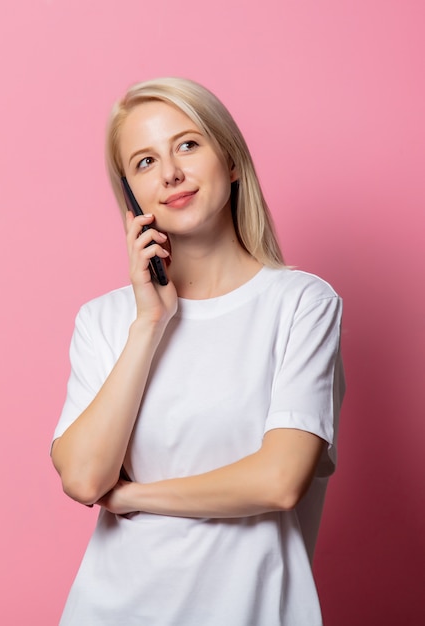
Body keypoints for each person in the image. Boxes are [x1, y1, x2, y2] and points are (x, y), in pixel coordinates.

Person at [51, 77, 345, 625]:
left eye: (187, 144)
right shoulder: (106, 320)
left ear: (230, 161)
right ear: (132, 195)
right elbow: (86, 480)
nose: (170, 174)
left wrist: (138, 496)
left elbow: (279, 481)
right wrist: (150, 323)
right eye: (144, 161)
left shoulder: (301, 303)